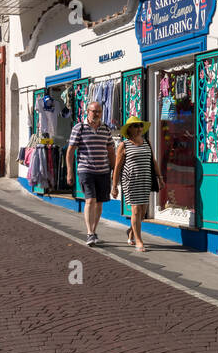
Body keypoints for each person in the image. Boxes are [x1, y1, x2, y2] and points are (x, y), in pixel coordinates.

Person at [112, 115, 164, 253]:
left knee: (142, 213)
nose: (139, 128)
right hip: (131, 181)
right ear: (129, 129)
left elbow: (153, 161)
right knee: (135, 210)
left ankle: (131, 231)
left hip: (145, 180)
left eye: (141, 125)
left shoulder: (147, 142)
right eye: (136, 126)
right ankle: (139, 241)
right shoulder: (124, 145)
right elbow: (117, 167)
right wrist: (114, 187)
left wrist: (160, 177)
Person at [66, 101, 114, 247]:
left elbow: (111, 151)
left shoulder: (106, 129)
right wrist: (69, 172)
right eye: (94, 111)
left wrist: (114, 170)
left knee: (99, 202)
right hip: (85, 169)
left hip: (103, 171)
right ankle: (89, 233)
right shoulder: (79, 128)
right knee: (90, 200)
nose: (97, 114)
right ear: (88, 111)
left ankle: (93, 231)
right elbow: (70, 151)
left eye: (99, 111)